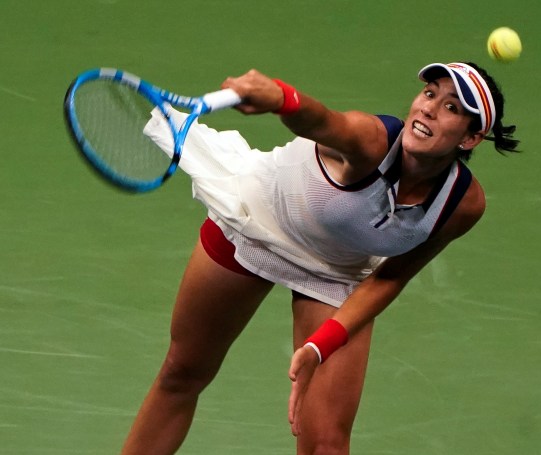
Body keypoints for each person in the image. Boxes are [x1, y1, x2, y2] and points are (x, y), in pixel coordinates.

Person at [121, 61, 520, 454]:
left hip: (337, 269)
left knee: (326, 443)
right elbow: (324, 122)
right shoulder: (371, 140)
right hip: (260, 219)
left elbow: (390, 278)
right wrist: (281, 97)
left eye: (451, 107)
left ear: (470, 139)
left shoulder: (462, 204)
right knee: (183, 373)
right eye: (429, 93)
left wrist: (319, 347)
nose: (429, 108)